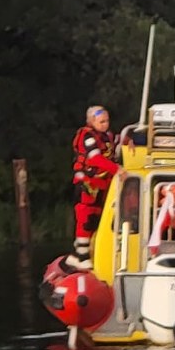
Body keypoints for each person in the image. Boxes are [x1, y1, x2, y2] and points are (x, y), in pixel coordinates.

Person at [65, 105, 120, 272]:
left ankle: (77, 255)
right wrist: (117, 169)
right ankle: (81, 256)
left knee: (95, 218)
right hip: (87, 185)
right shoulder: (87, 136)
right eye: (101, 121)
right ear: (91, 121)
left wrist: (128, 141)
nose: (105, 124)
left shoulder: (106, 136)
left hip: (101, 185)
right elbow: (95, 158)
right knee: (85, 218)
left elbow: (117, 142)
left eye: (107, 121)